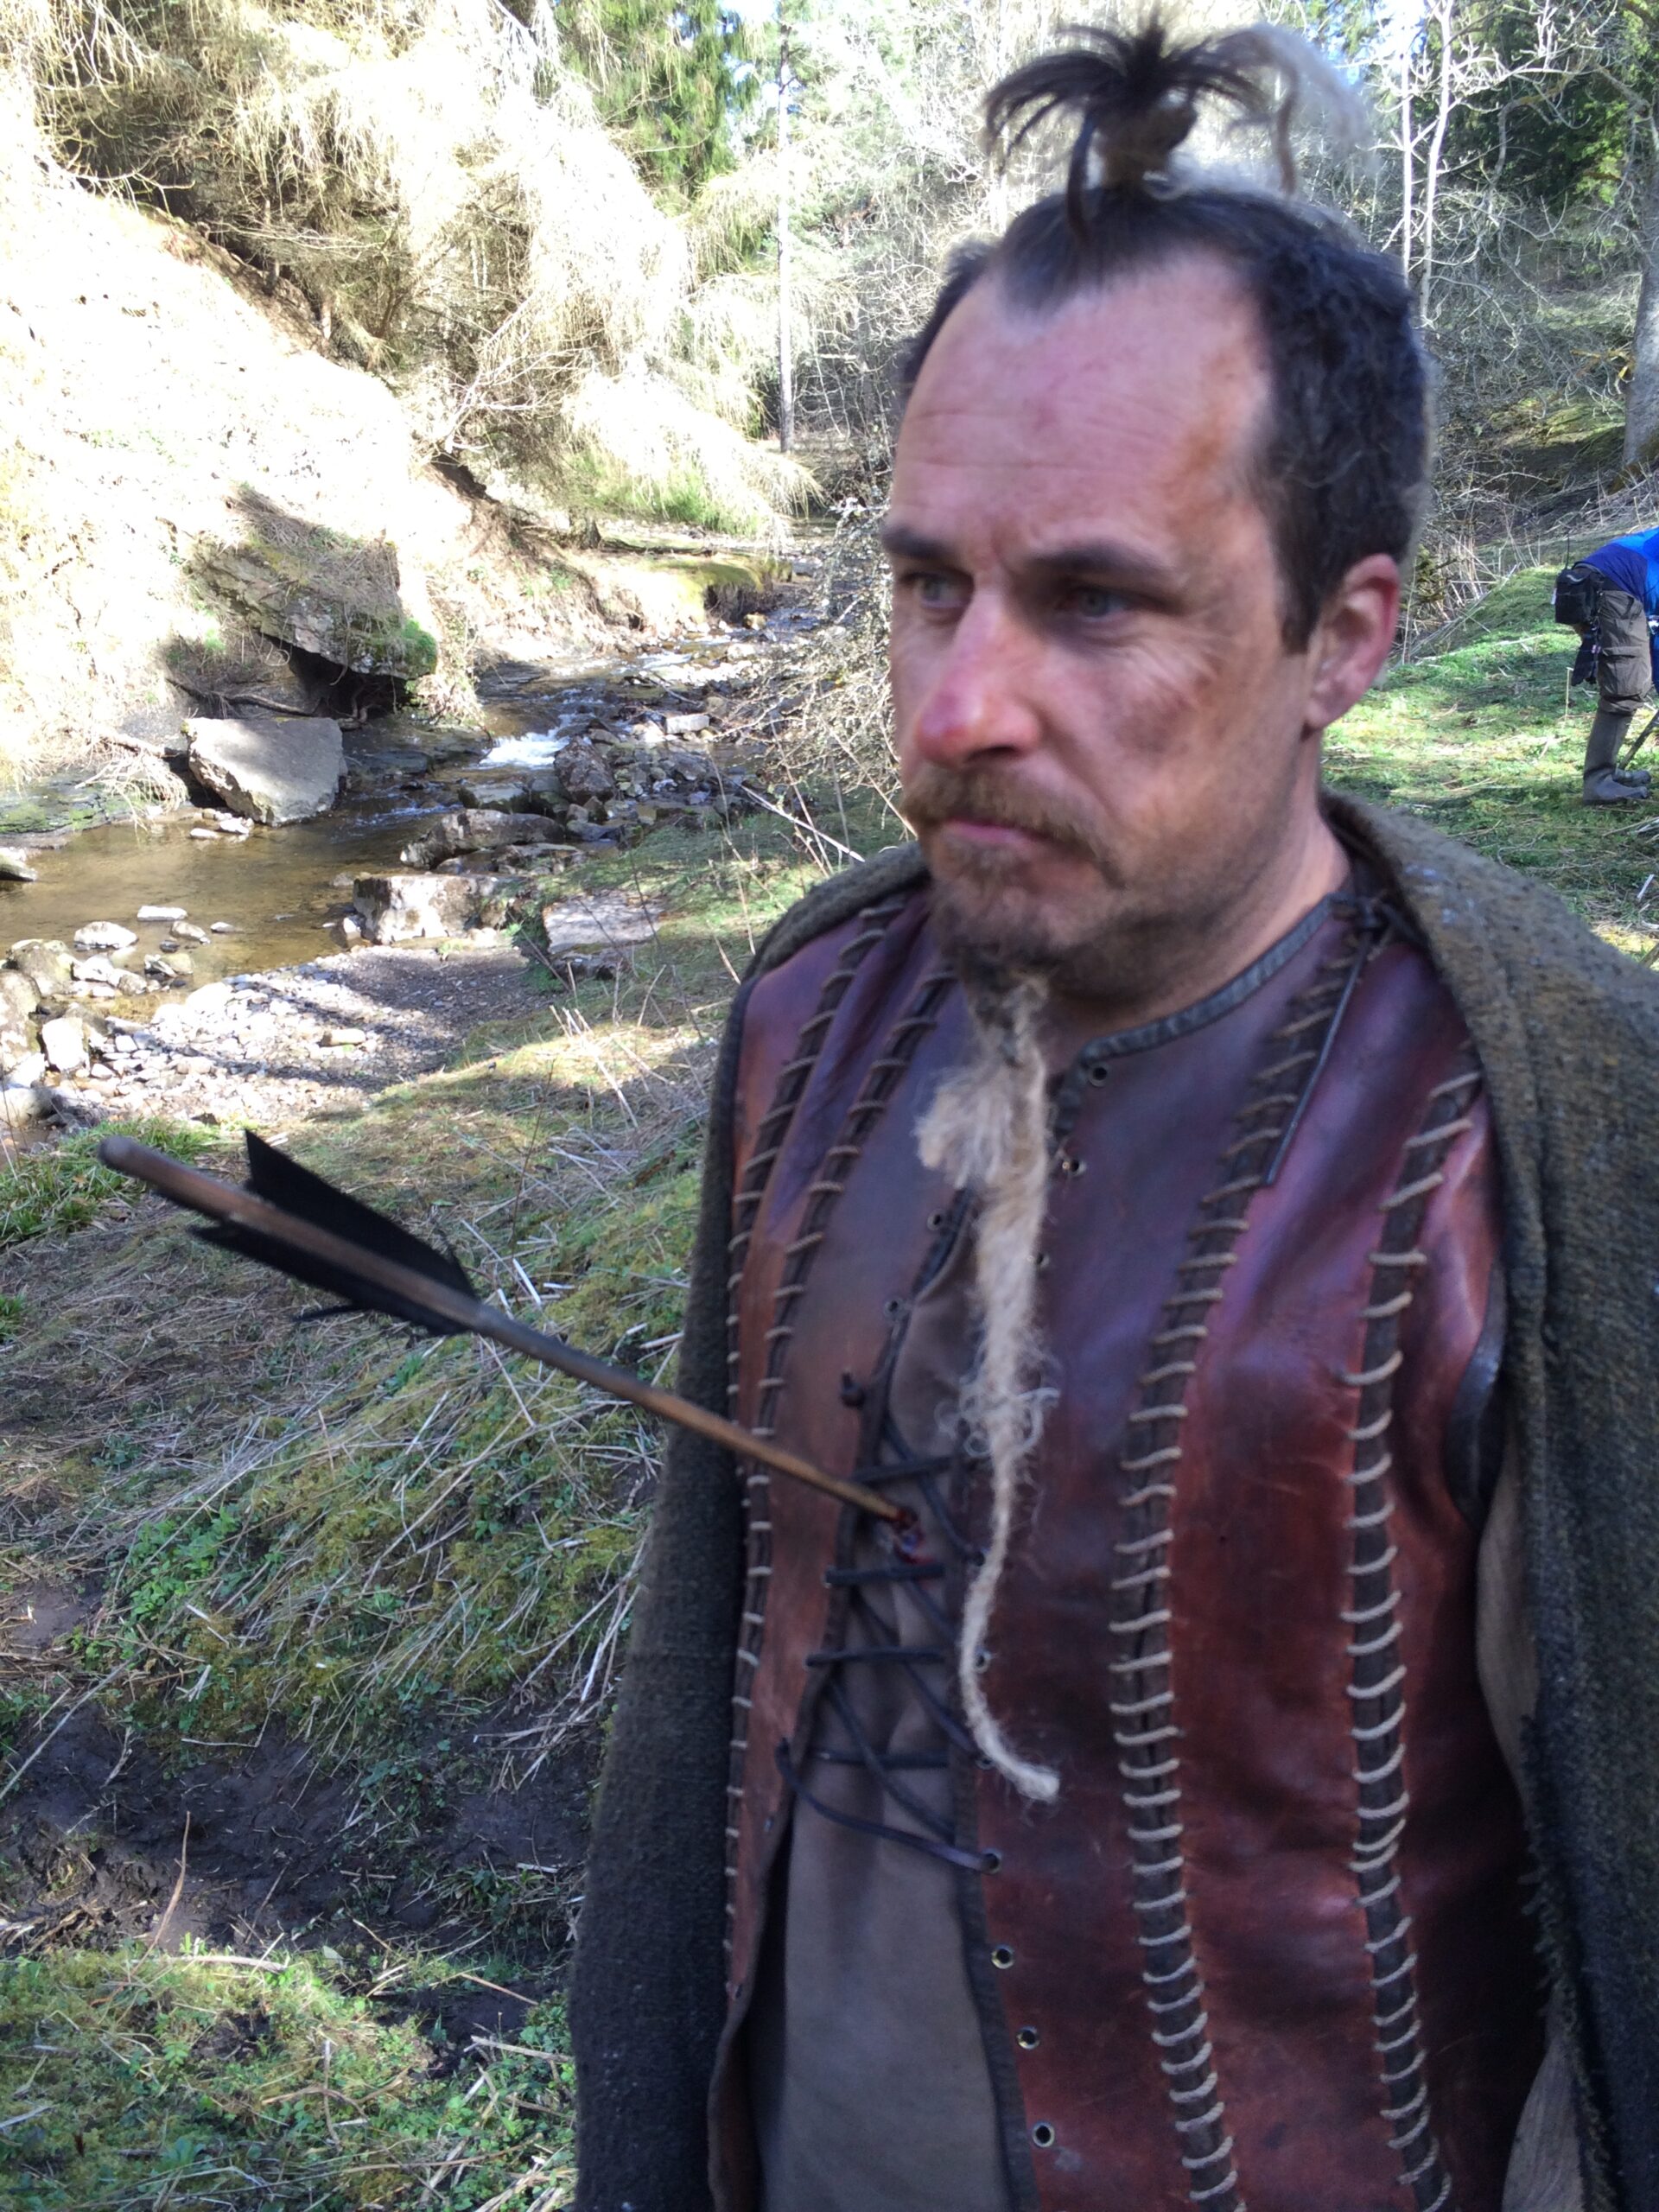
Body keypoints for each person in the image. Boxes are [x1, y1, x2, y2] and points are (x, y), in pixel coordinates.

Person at [570, 22, 1659, 2212]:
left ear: (1342, 634)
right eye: (929, 585)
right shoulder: (812, 1005)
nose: (963, 702)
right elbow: (714, 1688)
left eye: (1096, 599)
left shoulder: (1530, 1138)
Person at [1556, 527, 1659, 804]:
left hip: (1595, 583)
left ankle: (1606, 774)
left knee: (1629, 681)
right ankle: (1598, 782)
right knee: (1626, 687)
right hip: (1609, 588)